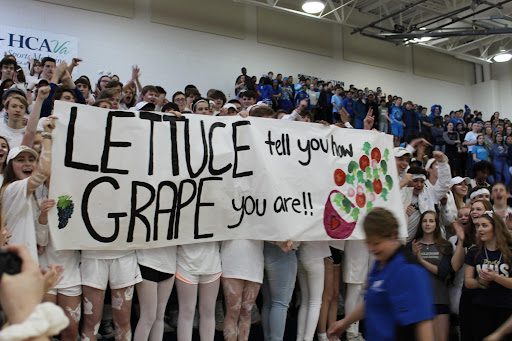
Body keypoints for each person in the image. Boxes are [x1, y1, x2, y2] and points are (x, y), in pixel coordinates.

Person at [327, 207, 435, 341]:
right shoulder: (380, 264)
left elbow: (423, 324)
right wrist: (345, 322)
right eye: (369, 243)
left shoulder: (410, 271)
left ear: (393, 236)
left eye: (377, 243)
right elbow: (372, 300)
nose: (372, 249)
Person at [409, 211, 464, 341]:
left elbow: (444, 272)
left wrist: (420, 260)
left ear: (436, 224)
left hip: (440, 299)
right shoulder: (412, 245)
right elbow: (409, 273)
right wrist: (412, 256)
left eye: (431, 221)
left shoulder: (444, 246)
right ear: (420, 224)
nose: (427, 224)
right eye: (425, 221)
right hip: (419, 301)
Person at [464, 210, 512, 340]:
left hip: (506, 309)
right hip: (481, 308)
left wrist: (495, 277)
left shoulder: (509, 251)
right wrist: (480, 282)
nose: (480, 229)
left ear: (496, 228)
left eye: (485, 225)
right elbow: (467, 282)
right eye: (478, 225)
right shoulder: (474, 251)